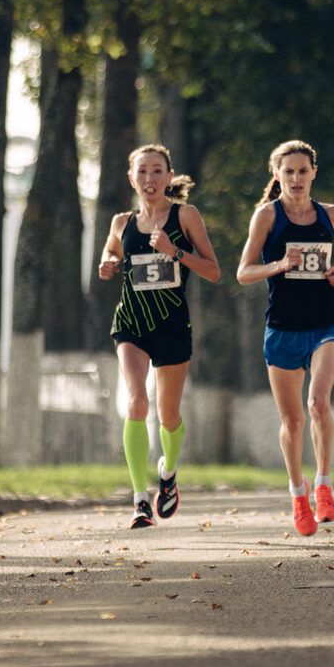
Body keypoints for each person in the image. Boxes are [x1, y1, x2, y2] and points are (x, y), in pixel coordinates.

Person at [237, 140, 334, 536]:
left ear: (313, 173)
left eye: (302, 171)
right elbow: (243, 272)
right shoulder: (266, 217)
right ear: (277, 175)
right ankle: (297, 494)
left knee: (318, 402)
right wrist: (278, 265)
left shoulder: (332, 215)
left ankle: (323, 484)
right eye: (288, 172)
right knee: (292, 420)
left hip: (327, 324)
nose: (295, 178)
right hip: (283, 328)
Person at [97, 144, 221, 529]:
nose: (149, 179)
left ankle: (167, 472)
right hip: (132, 323)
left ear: (169, 177)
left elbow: (214, 271)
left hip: (171, 324)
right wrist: (107, 265)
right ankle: (139, 500)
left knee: (168, 416)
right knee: (136, 403)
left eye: (157, 171)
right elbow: (109, 256)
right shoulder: (121, 222)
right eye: (142, 172)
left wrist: (175, 252)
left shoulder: (185, 216)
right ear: (131, 178)